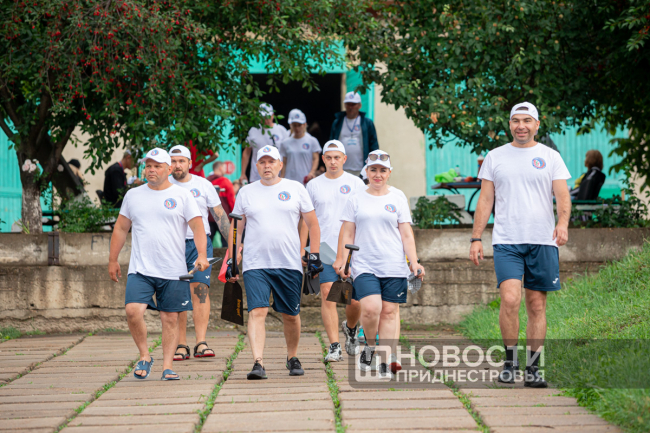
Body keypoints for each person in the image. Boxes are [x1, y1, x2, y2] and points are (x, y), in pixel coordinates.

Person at [469, 102, 571, 388]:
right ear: (510, 124)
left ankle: (533, 368)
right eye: (516, 120)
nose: (521, 126)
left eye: (527, 120)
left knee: (536, 305)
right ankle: (510, 363)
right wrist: (476, 237)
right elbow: (485, 200)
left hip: (542, 241)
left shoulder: (550, 156)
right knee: (511, 299)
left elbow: (562, 195)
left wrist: (562, 223)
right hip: (507, 241)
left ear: (537, 124)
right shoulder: (495, 156)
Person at [108, 148, 209, 381]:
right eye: (148, 166)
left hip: (173, 269)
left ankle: (167, 366)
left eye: (157, 166)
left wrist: (202, 254)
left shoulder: (182, 196)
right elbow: (121, 228)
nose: (151, 170)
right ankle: (145, 355)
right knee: (133, 311)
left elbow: (197, 227)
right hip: (141, 268)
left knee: (170, 318)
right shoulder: (133, 195)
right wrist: (113, 259)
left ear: (169, 169)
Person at [228, 145, 322, 380]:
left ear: (280, 164)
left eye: (271, 162)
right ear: (256, 166)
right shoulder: (246, 192)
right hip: (255, 263)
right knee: (257, 310)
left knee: (290, 314)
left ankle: (292, 357)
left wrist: (314, 255)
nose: (267, 166)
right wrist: (233, 256)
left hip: (288, 262)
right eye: (262, 162)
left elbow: (312, 224)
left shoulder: (295, 188)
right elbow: (236, 227)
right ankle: (258, 362)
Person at [335, 150, 425, 379]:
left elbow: (406, 234)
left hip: (394, 265)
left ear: (389, 172)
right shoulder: (355, 198)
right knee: (371, 308)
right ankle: (370, 346)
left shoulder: (397, 197)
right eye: (373, 169)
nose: (378, 174)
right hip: (364, 264)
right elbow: (347, 233)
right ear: (366, 171)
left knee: (390, 312)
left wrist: (414, 262)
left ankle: (384, 361)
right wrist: (343, 260)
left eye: (382, 170)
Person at [301, 140, 365, 362]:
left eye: (337, 157)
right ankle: (334, 346)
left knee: (353, 301)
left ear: (344, 159)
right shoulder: (313, 185)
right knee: (328, 294)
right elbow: (305, 220)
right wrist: (304, 249)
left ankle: (351, 328)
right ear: (323, 159)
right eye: (328, 157)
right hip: (323, 248)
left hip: (351, 249)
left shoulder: (356, 183)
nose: (333, 161)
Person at [168, 145, 231, 362]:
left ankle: (201, 342)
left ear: (189, 163)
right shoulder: (164, 186)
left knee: (201, 291)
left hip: (199, 245)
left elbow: (220, 216)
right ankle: (181, 344)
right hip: (172, 246)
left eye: (181, 161)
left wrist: (233, 247)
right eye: (173, 161)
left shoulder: (203, 185)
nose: (177, 165)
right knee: (178, 295)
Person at [329, 92, 379, 176]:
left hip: (361, 169)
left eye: (353, 104)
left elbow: (374, 146)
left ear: (359, 105)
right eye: (348, 104)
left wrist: (373, 167)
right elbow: (331, 145)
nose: (350, 107)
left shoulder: (367, 123)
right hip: (341, 168)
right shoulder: (337, 123)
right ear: (345, 105)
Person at [240, 103, 289, 184]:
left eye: (267, 117)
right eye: (263, 117)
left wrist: (283, 175)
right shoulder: (253, 130)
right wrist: (243, 173)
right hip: (256, 176)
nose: (265, 120)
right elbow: (247, 152)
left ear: (272, 115)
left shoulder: (281, 130)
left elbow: (286, 155)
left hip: (277, 176)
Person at [279, 109, 321, 184]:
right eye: (294, 125)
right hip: (289, 180)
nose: (297, 128)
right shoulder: (285, 143)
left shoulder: (312, 140)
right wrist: (282, 178)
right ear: (290, 125)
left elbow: (316, 158)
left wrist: (312, 172)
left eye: (299, 125)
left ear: (304, 125)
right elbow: (284, 162)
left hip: (305, 180)